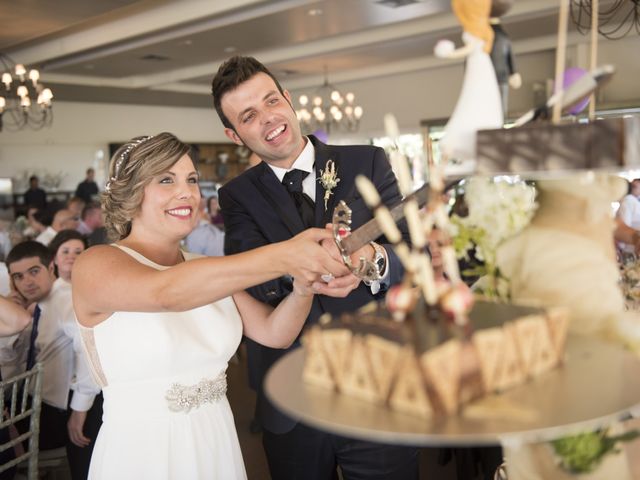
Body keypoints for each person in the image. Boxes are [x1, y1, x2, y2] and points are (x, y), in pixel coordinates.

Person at [71, 132, 348, 479]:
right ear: (130, 193)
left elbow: (274, 332)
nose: (186, 192)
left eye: (191, 180)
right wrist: (286, 254)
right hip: (145, 451)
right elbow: (165, 294)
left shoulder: (203, 267)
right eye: (166, 180)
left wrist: (303, 289)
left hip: (216, 439)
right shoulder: (95, 264)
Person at [212, 56, 418, 479]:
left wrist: (371, 260)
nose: (269, 118)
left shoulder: (369, 161)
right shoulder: (236, 196)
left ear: (288, 99)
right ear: (234, 134)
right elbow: (254, 279)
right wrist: (306, 270)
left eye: (272, 101)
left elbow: (412, 255)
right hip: (292, 397)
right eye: (249, 116)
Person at [1, 241, 100, 469]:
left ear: (51, 268)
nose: (27, 281)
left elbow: (88, 346)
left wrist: (79, 409)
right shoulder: (39, 305)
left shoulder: (64, 299)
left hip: (62, 411)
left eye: (34, 272)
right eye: (19, 277)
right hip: (39, 403)